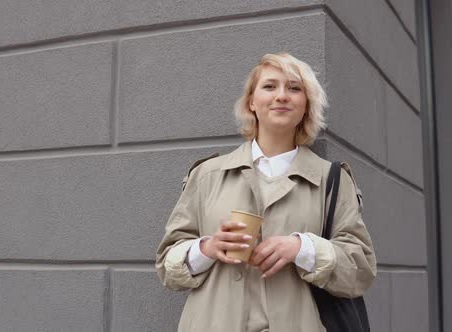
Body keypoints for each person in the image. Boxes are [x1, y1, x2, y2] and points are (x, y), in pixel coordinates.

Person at [156, 53, 376, 332]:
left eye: (294, 88)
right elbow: (167, 267)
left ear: (306, 105)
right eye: (270, 86)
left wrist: (303, 249)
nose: (282, 96)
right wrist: (208, 248)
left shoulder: (332, 180)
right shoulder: (207, 175)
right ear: (251, 101)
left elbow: (360, 272)